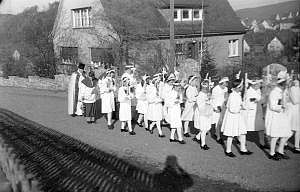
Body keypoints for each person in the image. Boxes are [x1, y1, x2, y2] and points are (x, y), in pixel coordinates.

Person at [221, 78, 253, 158]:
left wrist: (244, 105)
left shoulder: (237, 95)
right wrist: (240, 108)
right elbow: (232, 109)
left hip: (238, 116)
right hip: (232, 117)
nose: (242, 88)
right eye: (241, 86)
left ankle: (243, 149)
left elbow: (240, 104)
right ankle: (228, 150)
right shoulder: (232, 95)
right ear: (238, 87)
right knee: (231, 134)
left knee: (242, 132)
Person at [265, 71, 292, 160]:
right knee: (275, 135)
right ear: (282, 84)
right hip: (275, 116)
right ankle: (272, 153)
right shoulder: (274, 92)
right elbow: (273, 106)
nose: (287, 85)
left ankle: (280, 150)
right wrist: (282, 107)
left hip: (283, 115)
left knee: (286, 134)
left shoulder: (283, 91)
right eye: (286, 84)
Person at [243, 79, 266, 148]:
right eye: (259, 84)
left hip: (258, 111)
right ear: (255, 84)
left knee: (261, 128)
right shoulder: (248, 91)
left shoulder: (258, 90)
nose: (260, 85)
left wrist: (262, 99)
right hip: (251, 112)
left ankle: (262, 143)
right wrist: (258, 99)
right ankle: (242, 141)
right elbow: (249, 100)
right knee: (245, 128)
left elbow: (261, 100)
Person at [194, 79, 213, 150]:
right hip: (202, 114)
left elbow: (211, 102)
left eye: (207, 87)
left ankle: (197, 137)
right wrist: (206, 102)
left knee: (207, 128)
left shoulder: (208, 94)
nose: (206, 89)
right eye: (205, 87)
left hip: (208, 113)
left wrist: (210, 100)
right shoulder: (200, 95)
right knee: (204, 129)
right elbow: (200, 105)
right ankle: (203, 144)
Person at [166, 80, 185, 144]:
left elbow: (181, 100)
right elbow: (167, 102)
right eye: (177, 86)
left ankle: (171, 137)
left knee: (175, 124)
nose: (178, 88)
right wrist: (173, 102)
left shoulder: (179, 93)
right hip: (172, 110)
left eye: (179, 86)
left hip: (177, 110)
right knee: (178, 124)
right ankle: (180, 139)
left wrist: (180, 101)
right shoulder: (170, 93)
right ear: (174, 86)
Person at [211, 77, 229, 144]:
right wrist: (215, 108)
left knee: (220, 122)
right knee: (217, 122)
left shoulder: (226, 88)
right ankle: (218, 137)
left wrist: (225, 102)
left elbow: (226, 96)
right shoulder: (215, 89)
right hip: (217, 107)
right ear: (222, 82)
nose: (227, 84)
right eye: (226, 82)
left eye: (227, 82)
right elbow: (212, 99)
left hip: (223, 107)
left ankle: (216, 133)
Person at [288, 79, 300, 153]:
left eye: (297, 81)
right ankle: (296, 146)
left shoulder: (297, 88)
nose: (296, 83)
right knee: (294, 129)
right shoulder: (292, 89)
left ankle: (296, 146)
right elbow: (294, 101)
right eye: (295, 81)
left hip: (297, 111)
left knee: (296, 129)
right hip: (294, 111)